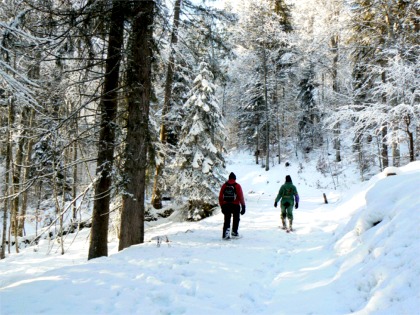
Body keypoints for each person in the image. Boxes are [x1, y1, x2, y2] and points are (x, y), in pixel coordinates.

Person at [219, 172, 246, 239]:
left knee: (227, 219)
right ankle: (234, 232)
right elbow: (241, 196)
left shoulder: (224, 185)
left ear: (229, 178)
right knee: (236, 219)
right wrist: (243, 206)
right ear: (234, 178)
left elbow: (220, 196)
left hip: (226, 205)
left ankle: (225, 234)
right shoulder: (237, 186)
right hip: (235, 205)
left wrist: (222, 205)